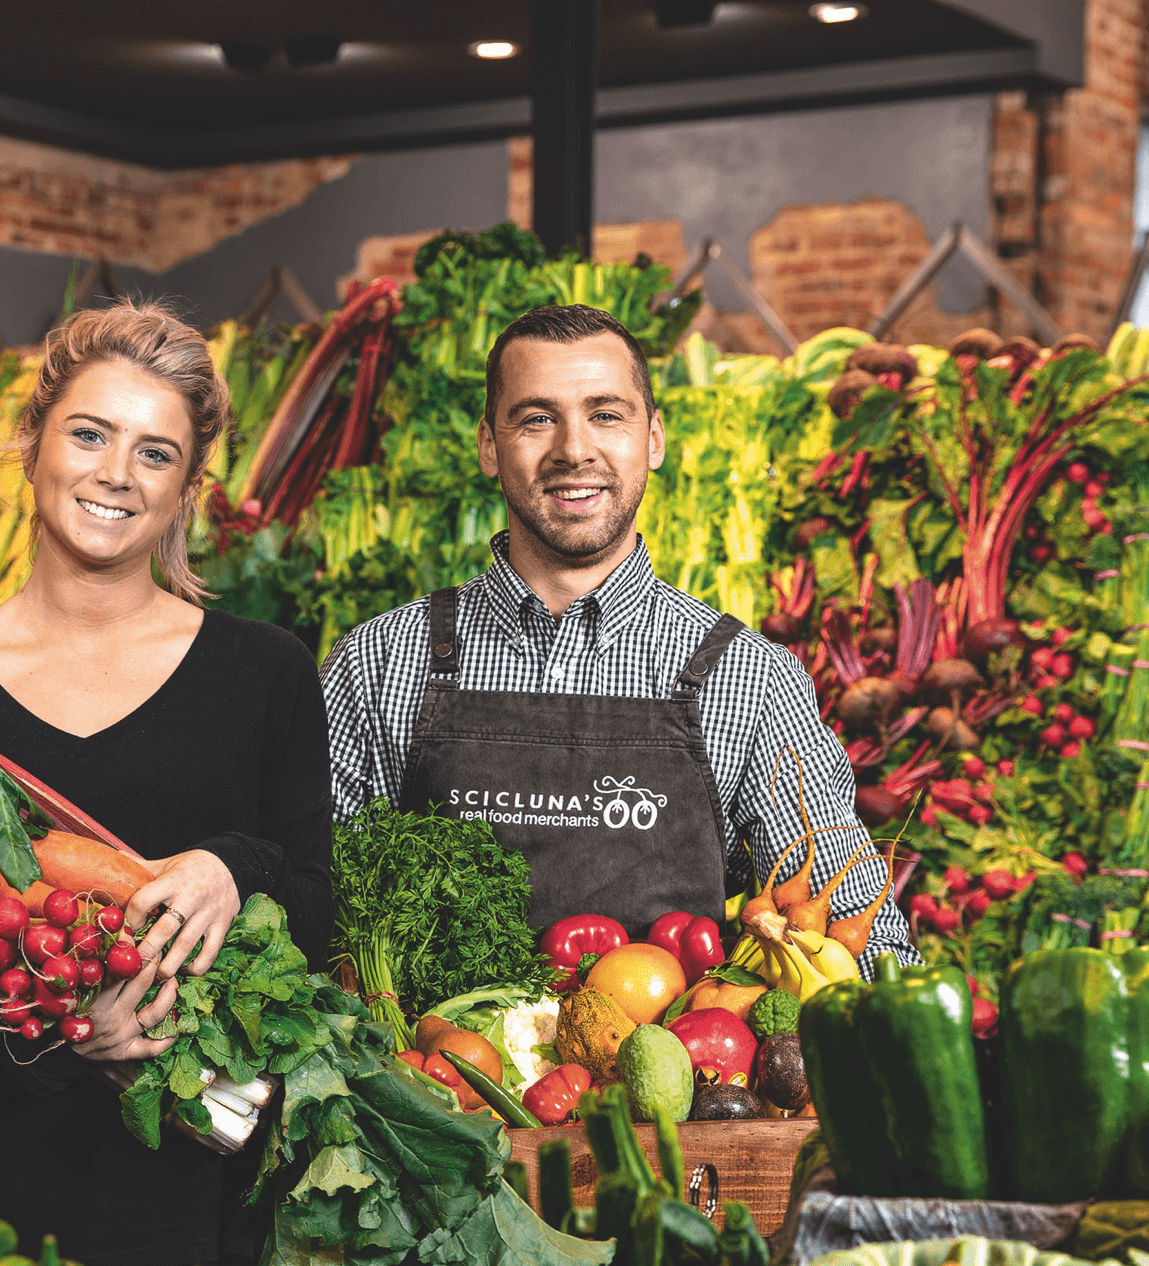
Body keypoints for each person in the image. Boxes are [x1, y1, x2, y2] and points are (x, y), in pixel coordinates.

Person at [0, 301, 332, 1266]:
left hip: (204, 1225)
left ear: (189, 488)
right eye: (89, 433)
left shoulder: (267, 673)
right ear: (31, 442)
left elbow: (319, 907)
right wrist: (62, 1021)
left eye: (155, 452)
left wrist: (231, 867)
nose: (116, 473)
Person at [321, 303, 919, 976]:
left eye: (606, 414)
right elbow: (307, 911)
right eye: (537, 418)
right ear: (489, 446)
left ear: (654, 439)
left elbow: (862, 949)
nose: (574, 449)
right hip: (433, 1074)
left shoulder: (747, 678)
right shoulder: (377, 662)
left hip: (676, 1074)